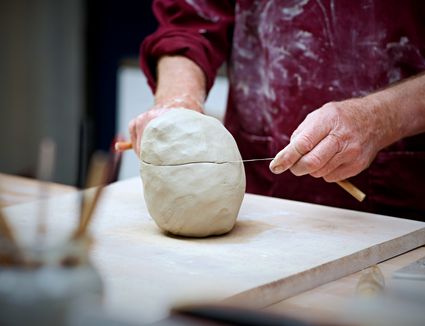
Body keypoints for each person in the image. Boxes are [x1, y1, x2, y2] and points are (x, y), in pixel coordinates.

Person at [129, 0, 425, 220]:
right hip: (258, 200)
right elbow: (189, 21)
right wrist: (179, 98)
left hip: (400, 205)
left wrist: (380, 118)